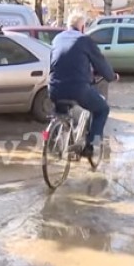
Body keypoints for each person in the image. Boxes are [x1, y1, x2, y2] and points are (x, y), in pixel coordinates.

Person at [49, 12, 117, 158]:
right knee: (102, 109)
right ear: (82, 27)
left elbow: (54, 63)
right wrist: (111, 76)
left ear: (68, 26)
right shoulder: (85, 40)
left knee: (60, 112)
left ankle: (56, 137)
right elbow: (101, 63)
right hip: (78, 89)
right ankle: (91, 146)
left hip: (54, 88)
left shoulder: (57, 38)